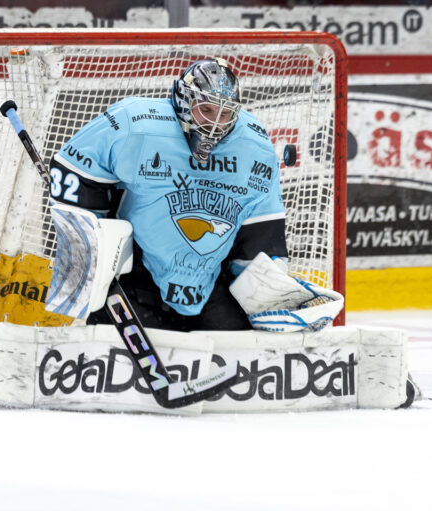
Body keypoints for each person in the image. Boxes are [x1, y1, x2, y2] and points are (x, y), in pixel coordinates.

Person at [49, 57, 342, 334]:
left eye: (225, 114)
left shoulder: (255, 146)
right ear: (183, 100)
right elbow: (75, 167)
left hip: (211, 284)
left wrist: (266, 289)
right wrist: (93, 249)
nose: (215, 124)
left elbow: (261, 226)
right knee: (108, 355)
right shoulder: (135, 123)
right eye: (207, 110)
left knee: (246, 355)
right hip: (135, 280)